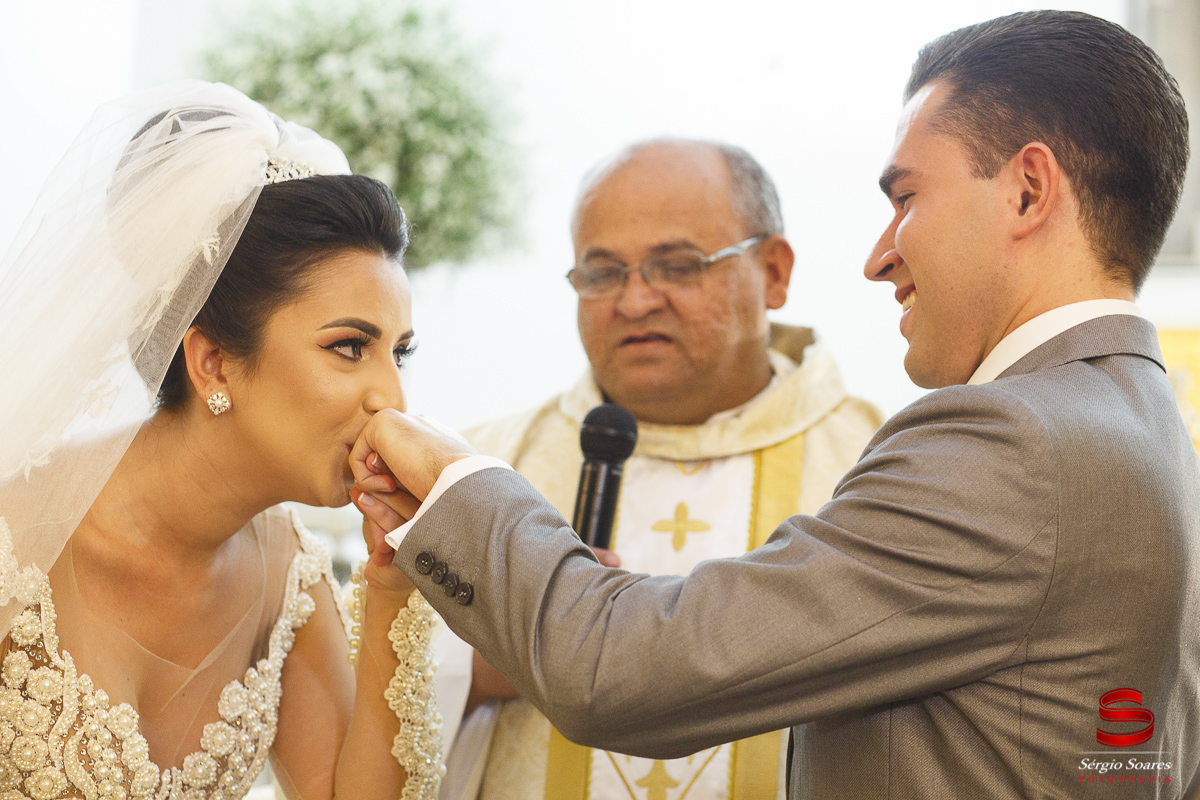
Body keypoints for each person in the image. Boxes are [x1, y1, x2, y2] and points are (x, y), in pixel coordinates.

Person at [351, 10, 1200, 799]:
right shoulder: (1152, 429)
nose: (878, 257)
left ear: (1027, 190)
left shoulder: (1006, 442)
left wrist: (459, 483)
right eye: (603, 272)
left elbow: (614, 670)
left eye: (905, 198)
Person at [0, 81, 442, 799]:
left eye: (401, 352)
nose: (391, 399)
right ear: (211, 362)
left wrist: (393, 589)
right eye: (349, 347)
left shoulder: (288, 570)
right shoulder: (15, 539)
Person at [439, 139, 882, 800]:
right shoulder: (478, 472)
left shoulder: (879, 466)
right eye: (602, 272)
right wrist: (470, 673)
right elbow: (354, 705)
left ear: (774, 271)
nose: (636, 300)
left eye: (676, 266)